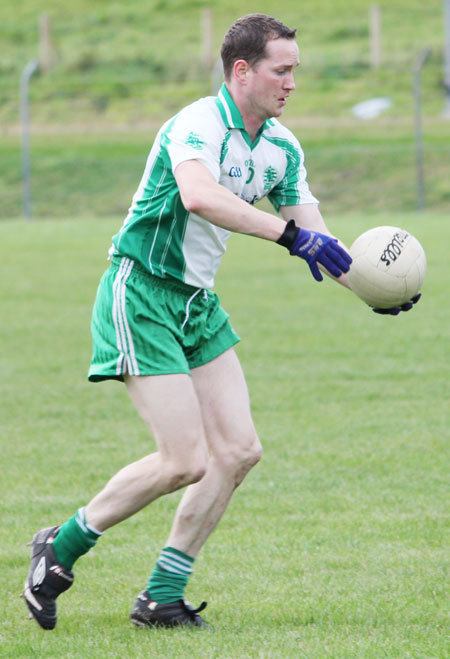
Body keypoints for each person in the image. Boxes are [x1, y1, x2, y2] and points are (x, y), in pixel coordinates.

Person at [22, 13, 420, 632]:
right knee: (183, 459)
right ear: (243, 71)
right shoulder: (197, 124)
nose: (291, 83)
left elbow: (319, 239)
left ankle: (161, 598)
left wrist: (372, 290)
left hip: (196, 305)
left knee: (237, 451)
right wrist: (289, 237)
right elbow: (200, 197)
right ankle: (60, 546)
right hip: (141, 292)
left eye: (295, 71)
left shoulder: (282, 148)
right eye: (280, 71)